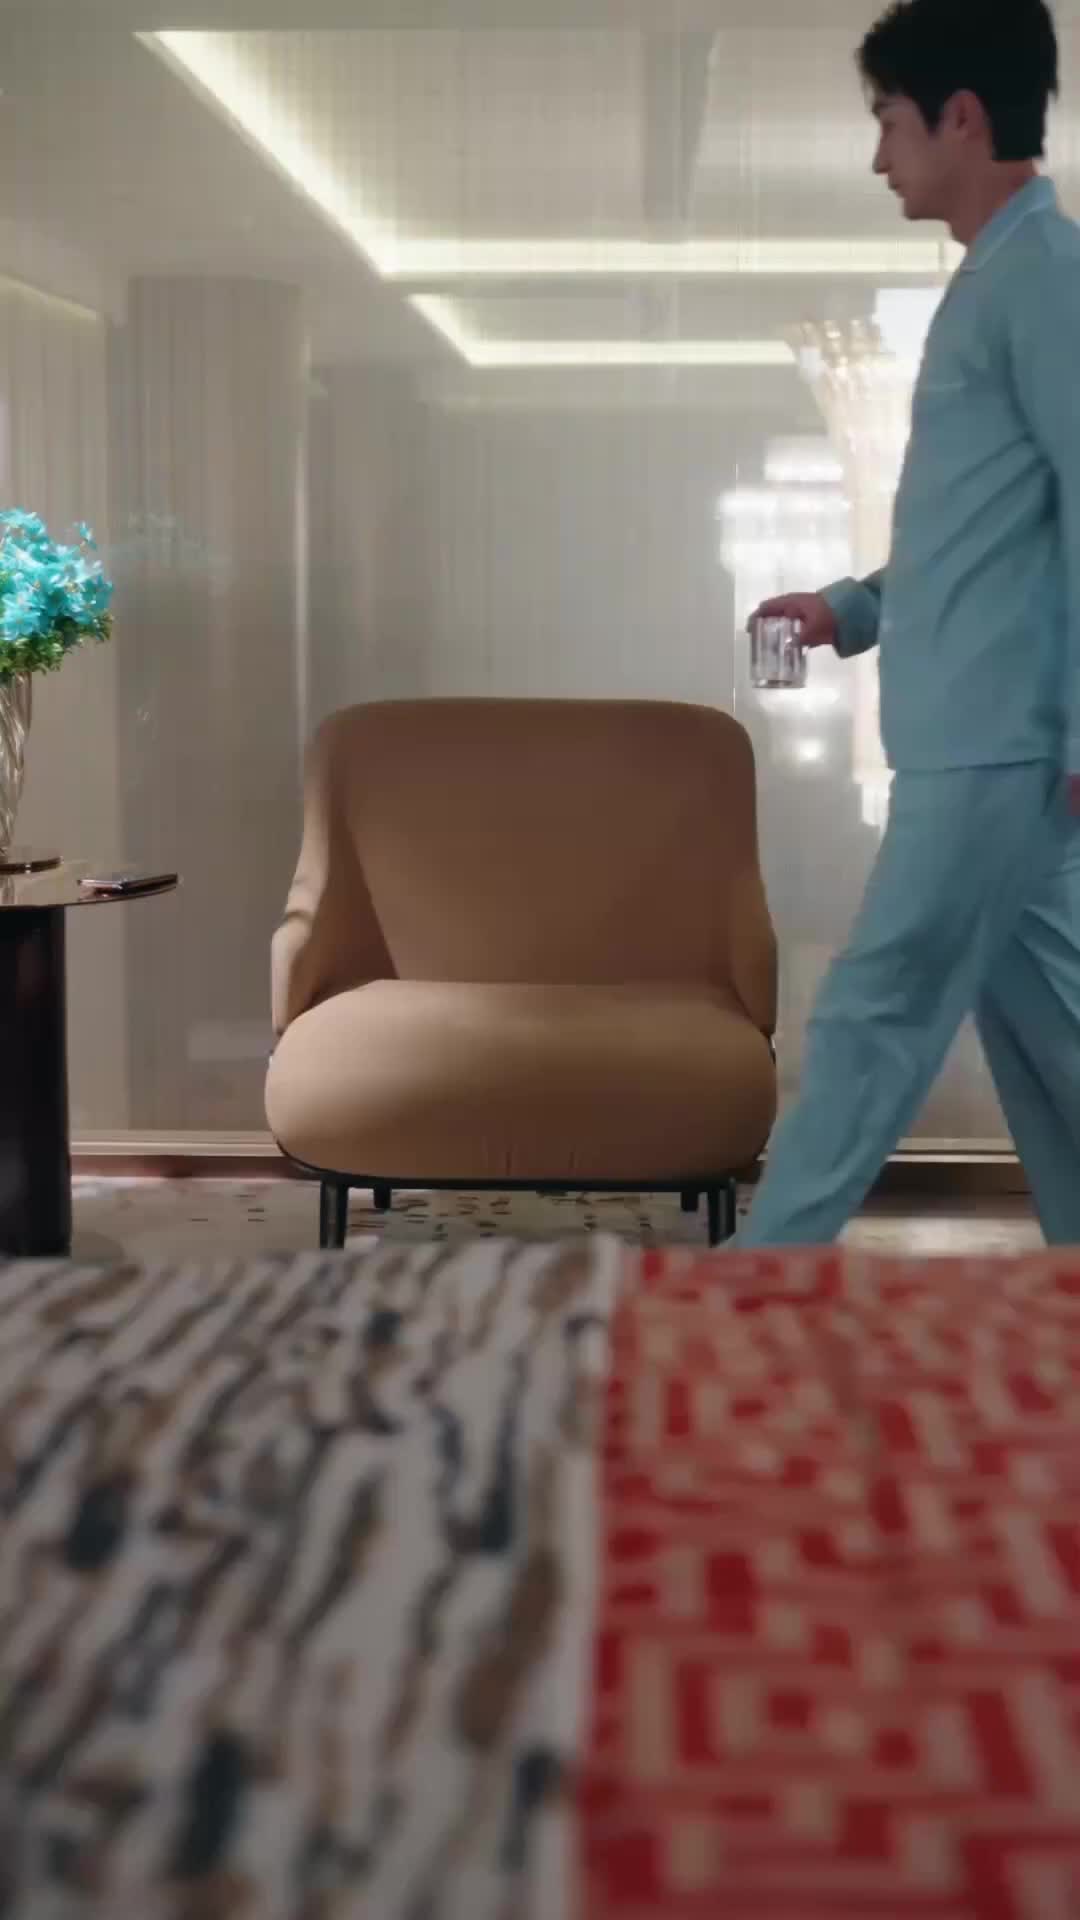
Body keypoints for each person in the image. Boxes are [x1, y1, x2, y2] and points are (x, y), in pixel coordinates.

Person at [739, 0, 1080, 1247]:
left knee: (867, 1022)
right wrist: (847, 610)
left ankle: (747, 1296)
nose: (880, 155)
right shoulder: (997, 282)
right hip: (985, 745)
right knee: (1054, 1054)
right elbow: (983, 533)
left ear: (962, 117)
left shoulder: (1046, 279)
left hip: (999, 748)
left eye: (890, 121)